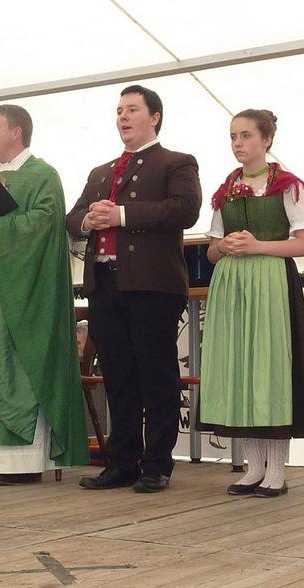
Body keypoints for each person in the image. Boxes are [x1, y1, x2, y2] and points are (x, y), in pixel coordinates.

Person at [66, 85, 201, 493]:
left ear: (154, 117)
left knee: (156, 373)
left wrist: (121, 215)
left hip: (151, 284)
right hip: (105, 282)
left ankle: (157, 463)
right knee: (118, 374)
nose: (122, 117)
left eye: (132, 110)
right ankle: (121, 461)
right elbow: (72, 217)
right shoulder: (101, 172)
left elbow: (185, 209)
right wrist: (88, 220)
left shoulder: (176, 162)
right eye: (119, 110)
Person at [0, 104, 90, 485]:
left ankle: (22, 464)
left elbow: (45, 225)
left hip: (24, 294)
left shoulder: (43, 175)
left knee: (18, 367)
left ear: (16, 132)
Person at [198, 109, 304, 498]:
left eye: (246, 135)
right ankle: (254, 467)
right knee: (240, 369)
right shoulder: (226, 190)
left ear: (266, 140)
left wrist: (258, 246)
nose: (238, 143)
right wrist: (226, 245)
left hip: (271, 283)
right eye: (233, 136)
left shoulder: (288, 186)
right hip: (233, 286)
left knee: (270, 369)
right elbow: (211, 251)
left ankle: (276, 470)